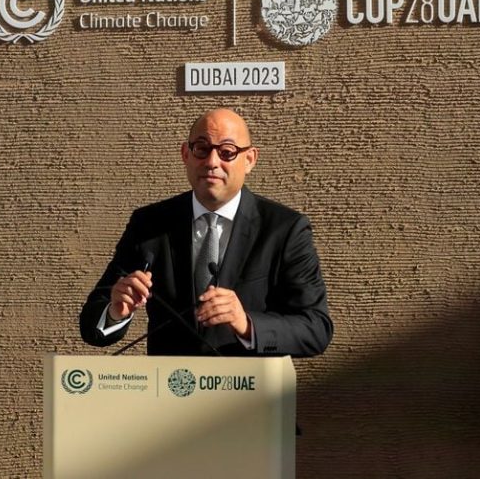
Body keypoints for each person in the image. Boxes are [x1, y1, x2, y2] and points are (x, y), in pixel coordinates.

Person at [80, 108, 333, 356]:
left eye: (227, 152)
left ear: (250, 160)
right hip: (169, 390)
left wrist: (246, 324)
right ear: (185, 154)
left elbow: (315, 328)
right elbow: (92, 325)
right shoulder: (150, 224)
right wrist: (114, 312)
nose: (212, 162)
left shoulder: (285, 229)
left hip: (248, 393)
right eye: (202, 149)